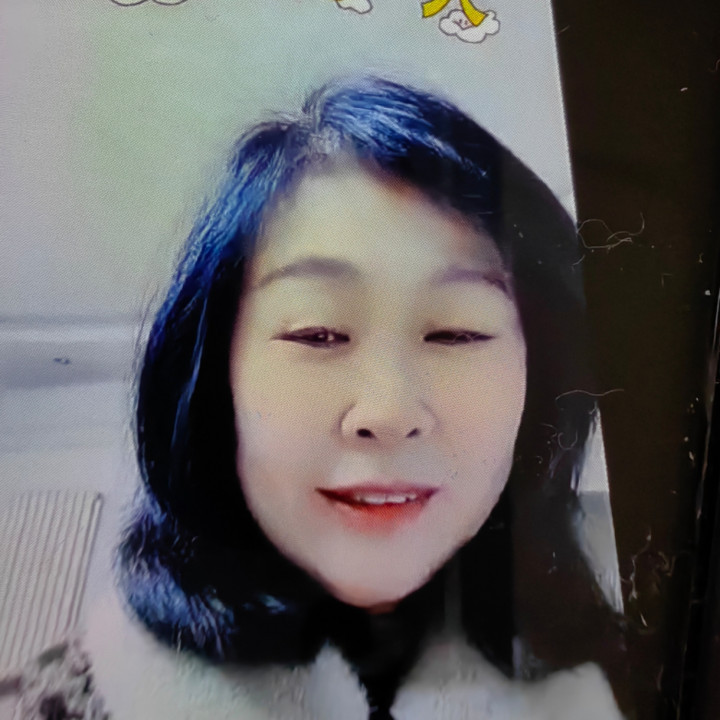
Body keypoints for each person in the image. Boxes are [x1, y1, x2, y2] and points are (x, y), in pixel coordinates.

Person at [16, 76, 630, 720]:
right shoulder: (55, 704)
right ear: (216, 383)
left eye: (455, 332)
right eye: (317, 333)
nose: (388, 413)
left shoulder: (647, 682)